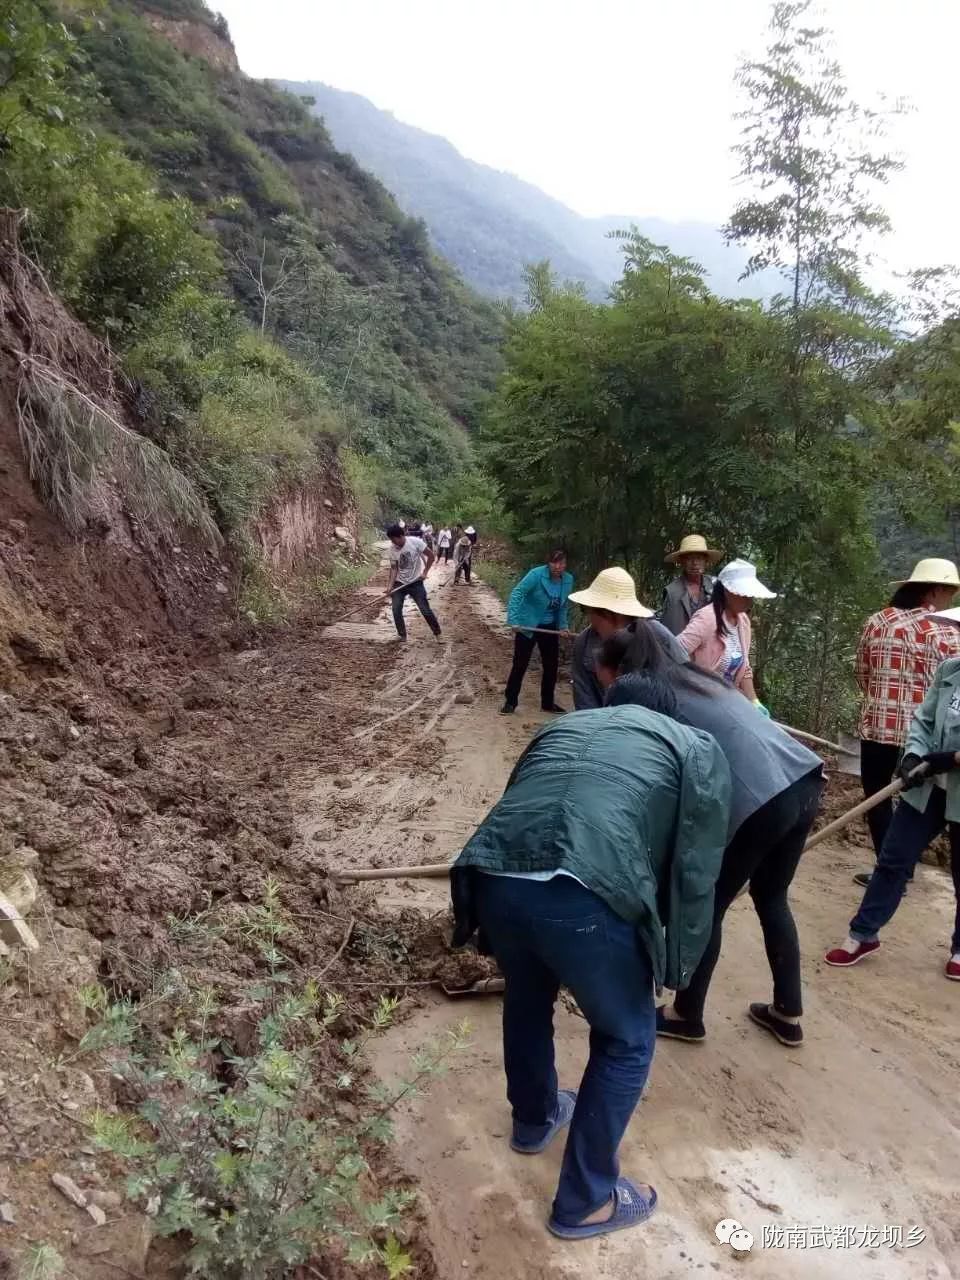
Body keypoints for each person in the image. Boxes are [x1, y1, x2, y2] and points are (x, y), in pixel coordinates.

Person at [450, 680, 731, 1238]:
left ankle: (533, 1120)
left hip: (495, 876)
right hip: (584, 891)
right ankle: (585, 1200)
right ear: (667, 714)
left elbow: (517, 800)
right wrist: (676, 963)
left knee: (527, 998)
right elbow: (695, 870)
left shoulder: (560, 727)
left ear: (610, 704)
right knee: (627, 1038)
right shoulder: (691, 746)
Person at [596, 627, 824, 1047]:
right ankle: (787, 1013)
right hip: (803, 779)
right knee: (772, 897)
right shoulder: (691, 676)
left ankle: (686, 1013)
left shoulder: (653, 701)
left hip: (762, 798)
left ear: (620, 672)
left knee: (706, 901)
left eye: (604, 682)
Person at [826, 605, 960, 981]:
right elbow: (923, 718)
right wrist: (914, 755)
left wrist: (950, 757)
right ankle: (862, 935)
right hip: (928, 788)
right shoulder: (950, 671)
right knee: (893, 860)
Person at [851, 558, 960, 888]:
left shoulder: (878, 622)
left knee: (878, 795)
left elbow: (862, 671)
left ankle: (889, 869)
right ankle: (902, 863)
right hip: (925, 737)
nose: (952, 600)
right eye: (951, 592)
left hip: (879, 727)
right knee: (924, 802)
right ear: (936, 590)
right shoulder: (949, 631)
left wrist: (881, 698)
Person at [568, 567, 686, 710]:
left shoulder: (657, 635)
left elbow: (683, 682)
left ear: (607, 613)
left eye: (588, 610)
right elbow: (585, 701)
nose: (589, 617)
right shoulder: (584, 643)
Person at [677, 558, 774, 707]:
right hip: (699, 699)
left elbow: (744, 669)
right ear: (728, 592)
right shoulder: (707, 619)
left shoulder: (743, 622)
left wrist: (754, 701)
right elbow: (674, 651)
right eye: (745, 594)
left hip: (726, 700)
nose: (750, 600)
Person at [502, 551, 573, 715]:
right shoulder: (536, 575)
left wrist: (563, 626)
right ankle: (510, 702)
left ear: (565, 564)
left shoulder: (567, 580)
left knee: (551, 665)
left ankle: (547, 703)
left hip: (549, 626)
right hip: (528, 624)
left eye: (561, 563)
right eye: (555, 563)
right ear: (548, 563)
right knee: (520, 663)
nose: (558, 567)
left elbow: (562, 606)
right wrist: (513, 619)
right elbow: (517, 592)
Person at [385, 523, 441, 642]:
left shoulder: (416, 542)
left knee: (425, 609)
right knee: (396, 609)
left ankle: (437, 633)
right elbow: (394, 568)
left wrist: (425, 572)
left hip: (416, 583)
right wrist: (390, 586)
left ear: (401, 536)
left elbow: (431, 556)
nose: (393, 543)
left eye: (394, 540)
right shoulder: (392, 549)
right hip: (399, 583)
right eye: (391, 541)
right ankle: (402, 635)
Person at [660, 535, 721, 636]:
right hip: (681, 648)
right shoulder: (672, 592)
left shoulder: (714, 586)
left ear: (705, 561)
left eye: (699, 558)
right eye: (689, 559)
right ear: (682, 562)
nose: (695, 563)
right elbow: (668, 633)